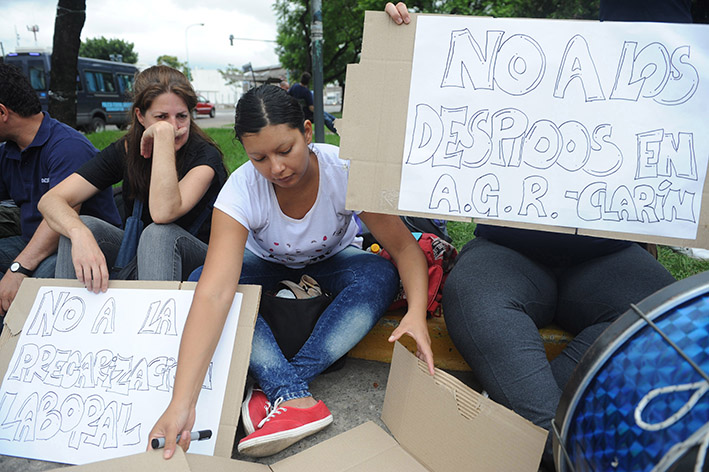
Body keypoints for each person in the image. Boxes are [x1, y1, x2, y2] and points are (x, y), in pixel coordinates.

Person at [385, 2, 680, 470]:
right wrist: (408, 36)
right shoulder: (497, 74)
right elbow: (427, 91)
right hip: (509, 252)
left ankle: (531, 433)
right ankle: (558, 444)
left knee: (672, 311)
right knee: (472, 295)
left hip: (608, 256)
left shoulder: (645, 64)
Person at [149, 84, 434, 459]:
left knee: (378, 275)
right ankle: (295, 397)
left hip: (333, 261)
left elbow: (403, 249)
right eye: (259, 158)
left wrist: (416, 313)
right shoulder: (241, 190)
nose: (277, 168)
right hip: (263, 266)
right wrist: (180, 403)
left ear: (307, 132)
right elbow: (214, 293)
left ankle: (276, 390)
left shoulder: (344, 171)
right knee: (205, 278)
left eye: (286, 150)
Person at [39, 65, 227, 291]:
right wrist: (78, 234)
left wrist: (162, 138)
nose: (174, 127)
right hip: (140, 253)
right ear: (140, 115)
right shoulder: (127, 148)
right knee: (82, 225)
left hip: (202, 259)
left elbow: (163, 212)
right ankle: (70, 320)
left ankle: (152, 324)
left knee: (158, 235)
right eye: (161, 117)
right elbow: (50, 201)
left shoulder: (205, 156)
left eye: (182, 116)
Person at [0, 62, 121, 317]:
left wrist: (18, 269)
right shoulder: (9, 150)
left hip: (74, 249)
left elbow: (58, 221)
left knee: (31, 299)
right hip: (30, 243)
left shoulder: (67, 147)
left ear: (2, 113)